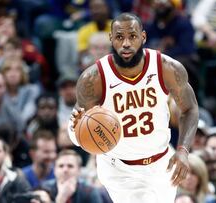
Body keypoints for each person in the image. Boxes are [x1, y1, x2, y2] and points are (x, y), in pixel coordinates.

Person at [68, 13, 199, 203]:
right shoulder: (93, 78)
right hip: (118, 168)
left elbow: (190, 109)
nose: (126, 43)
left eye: (132, 36)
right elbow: (81, 132)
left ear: (143, 37)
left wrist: (183, 150)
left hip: (160, 162)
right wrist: (75, 127)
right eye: (120, 37)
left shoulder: (167, 68)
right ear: (111, 39)